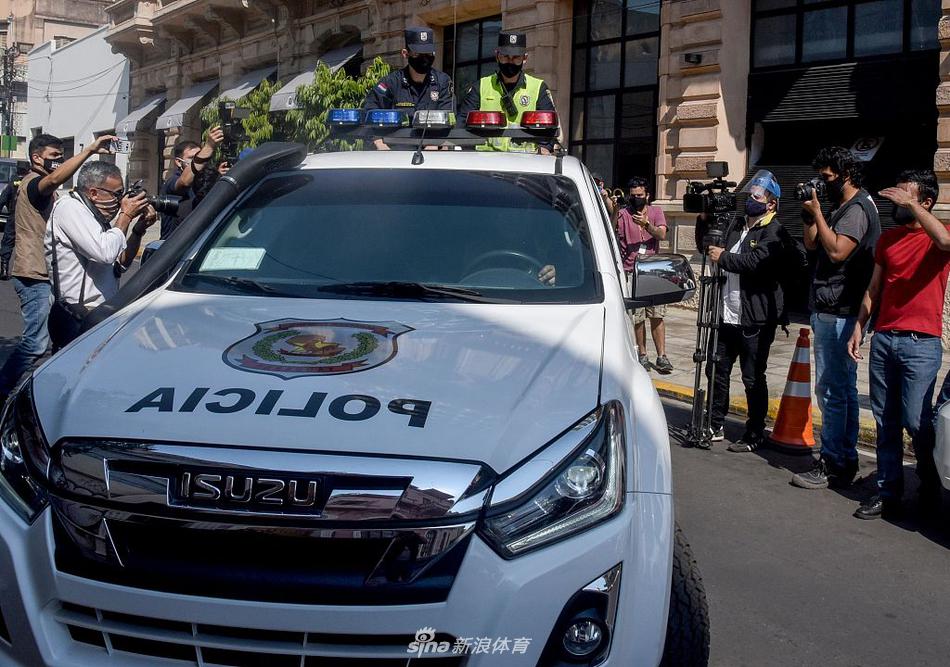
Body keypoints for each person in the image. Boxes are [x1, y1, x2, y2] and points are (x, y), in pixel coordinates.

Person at [846, 170, 950, 519]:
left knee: (916, 420)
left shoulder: (940, 237)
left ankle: (930, 482)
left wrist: (914, 205)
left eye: (904, 195)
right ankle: (888, 491)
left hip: (922, 345)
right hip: (885, 340)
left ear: (926, 202)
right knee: (885, 419)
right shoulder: (888, 241)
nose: (895, 199)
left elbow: (946, 243)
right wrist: (860, 327)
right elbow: (874, 290)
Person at [0, 133, 117, 399]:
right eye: (53, 156)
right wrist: (90, 150)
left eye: (60, 156)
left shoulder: (45, 189)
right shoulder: (34, 184)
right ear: (36, 158)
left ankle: (54, 390)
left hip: (44, 273)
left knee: (60, 338)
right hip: (33, 274)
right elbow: (53, 179)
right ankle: (4, 391)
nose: (58, 161)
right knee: (35, 343)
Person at [791, 147, 881, 490]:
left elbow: (837, 250)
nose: (822, 183)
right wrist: (809, 214)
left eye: (827, 177)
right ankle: (843, 457)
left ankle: (834, 461)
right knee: (839, 389)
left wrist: (819, 212)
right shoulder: (840, 206)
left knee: (832, 389)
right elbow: (813, 245)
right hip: (829, 307)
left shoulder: (858, 209)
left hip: (842, 311)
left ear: (846, 174)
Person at [699, 170, 789, 451]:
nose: (750, 200)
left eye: (756, 196)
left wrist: (723, 257)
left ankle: (754, 431)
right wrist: (704, 221)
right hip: (726, 313)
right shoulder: (737, 225)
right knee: (717, 371)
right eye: (749, 195)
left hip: (755, 318)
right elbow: (709, 246)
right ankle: (714, 423)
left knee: (752, 377)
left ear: (770, 203)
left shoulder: (774, 230)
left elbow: (755, 262)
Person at [45, 162, 156, 348]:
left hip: (99, 314)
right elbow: (105, 252)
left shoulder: (94, 215)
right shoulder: (69, 208)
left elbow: (120, 263)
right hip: (77, 315)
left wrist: (138, 230)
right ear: (94, 193)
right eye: (116, 194)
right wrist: (125, 215)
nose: (120, 200)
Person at [457, 31, 558, 153]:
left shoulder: (538, 88)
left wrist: (545, 148)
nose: (510, 61)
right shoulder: (480, 87)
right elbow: (461, 124)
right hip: (485, 161)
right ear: (497, 56)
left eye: (516, 58)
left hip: (526, 163)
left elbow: (550, 129)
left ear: (525, 58)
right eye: (505, 57)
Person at [363, 27, 454, 151]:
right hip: (394, 152)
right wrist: (378, 142)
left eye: (428, 54)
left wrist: (437, 143)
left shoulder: (443, 82)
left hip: (432, 151)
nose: (425, 59)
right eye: (418, 54)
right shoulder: (390, 83)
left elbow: (449, 116)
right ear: (405, 54)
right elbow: (369, 113)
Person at [616, 177, 671, 373]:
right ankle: (642, 354)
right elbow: (613, 229)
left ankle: (662, 356)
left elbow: (662, 235)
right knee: (638, 317)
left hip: (652, 270)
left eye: (640, 195)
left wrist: (647, 225)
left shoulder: (656, 212)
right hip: (631, 271)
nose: (636, 199)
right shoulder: (623, 214)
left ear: (647, 195)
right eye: (633, 196)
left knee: (657, 315)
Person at [159, 125, 224, 239]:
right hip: (171, 246)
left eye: (201, 156)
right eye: (193, 158)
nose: (201, 162)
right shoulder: (172, 181)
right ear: (179, 163)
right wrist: (208, 147)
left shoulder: (202, 180)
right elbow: (184, 182)